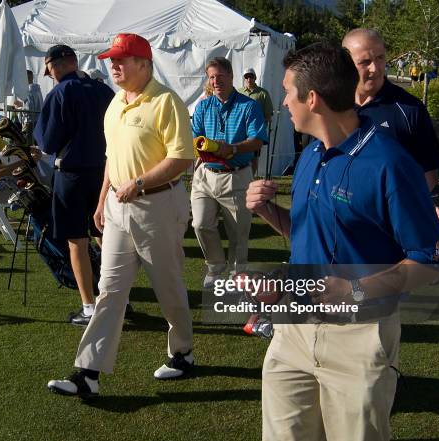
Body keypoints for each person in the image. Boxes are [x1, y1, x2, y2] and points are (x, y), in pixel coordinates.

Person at [246, 42, 439, 441]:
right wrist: (270, 214)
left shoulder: (390, 164)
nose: (284, 101)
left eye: (288, 91)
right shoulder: (309, 156)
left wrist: (354, 289)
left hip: (359, 334)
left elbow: (432, 261)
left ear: (313, 99)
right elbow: (307, 234)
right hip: (293, 330)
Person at [47, 33, 195, 396]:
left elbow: (181, 158)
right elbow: (112, 159)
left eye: (121, 60)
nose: (113, 65)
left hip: (157, 205)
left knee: (168, 286)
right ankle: (87, 374)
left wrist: (139, 183)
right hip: (117, 207)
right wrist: (102, 201)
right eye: (111, 60)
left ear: (144, 64)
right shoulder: (114, 104)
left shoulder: (166, 102)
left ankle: (182, 352)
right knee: (109, 290)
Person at [33, 45, 115, 326]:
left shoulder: (60, 93)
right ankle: (118, 299)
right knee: (105, 236)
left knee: (76, 240)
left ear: (55, 65)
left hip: (71, 173)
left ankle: (89, 306)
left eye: (48, 69)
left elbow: (47, 142)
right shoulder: (104, 90)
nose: (49, 75)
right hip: (104, 173)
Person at [191, 57, 268, 288]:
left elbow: (257, 140)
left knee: (238, 233)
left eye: (220, 77)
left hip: (237, 175)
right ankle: (215, 266)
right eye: (211, 77)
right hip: (205, 175)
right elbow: (196, 137)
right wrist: (201, 149)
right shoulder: (203, 106)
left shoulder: (249, 105)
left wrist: (232, 149)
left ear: (231, 76)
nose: (215, 82)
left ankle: (237, 275)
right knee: (200, 224)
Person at [343, 29, 439, 191]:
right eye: (365, 62)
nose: (375, 68)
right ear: (346, 64)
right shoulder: (334, 106)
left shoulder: (410, 109)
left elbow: (429, 178)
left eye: (380, 58)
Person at [239, 67, 274, 173]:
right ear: (244, 79)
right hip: (240, 130)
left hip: (255, 131)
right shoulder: (239, 92)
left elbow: (268, 114)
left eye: (251, 76)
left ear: (255, 78)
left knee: (254, 156)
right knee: (240, 154)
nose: (249, 79)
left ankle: (252, 179)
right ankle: (242, 179)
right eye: (246, 77)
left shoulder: (263, 93)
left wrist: (262, 129)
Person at [20, 70, 43, 143]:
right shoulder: (37, 89)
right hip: (38, 120)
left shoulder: (28, 90)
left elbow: (29, 109)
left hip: (30, 122)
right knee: (36, 144)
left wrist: (20, 107)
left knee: (28, 144)